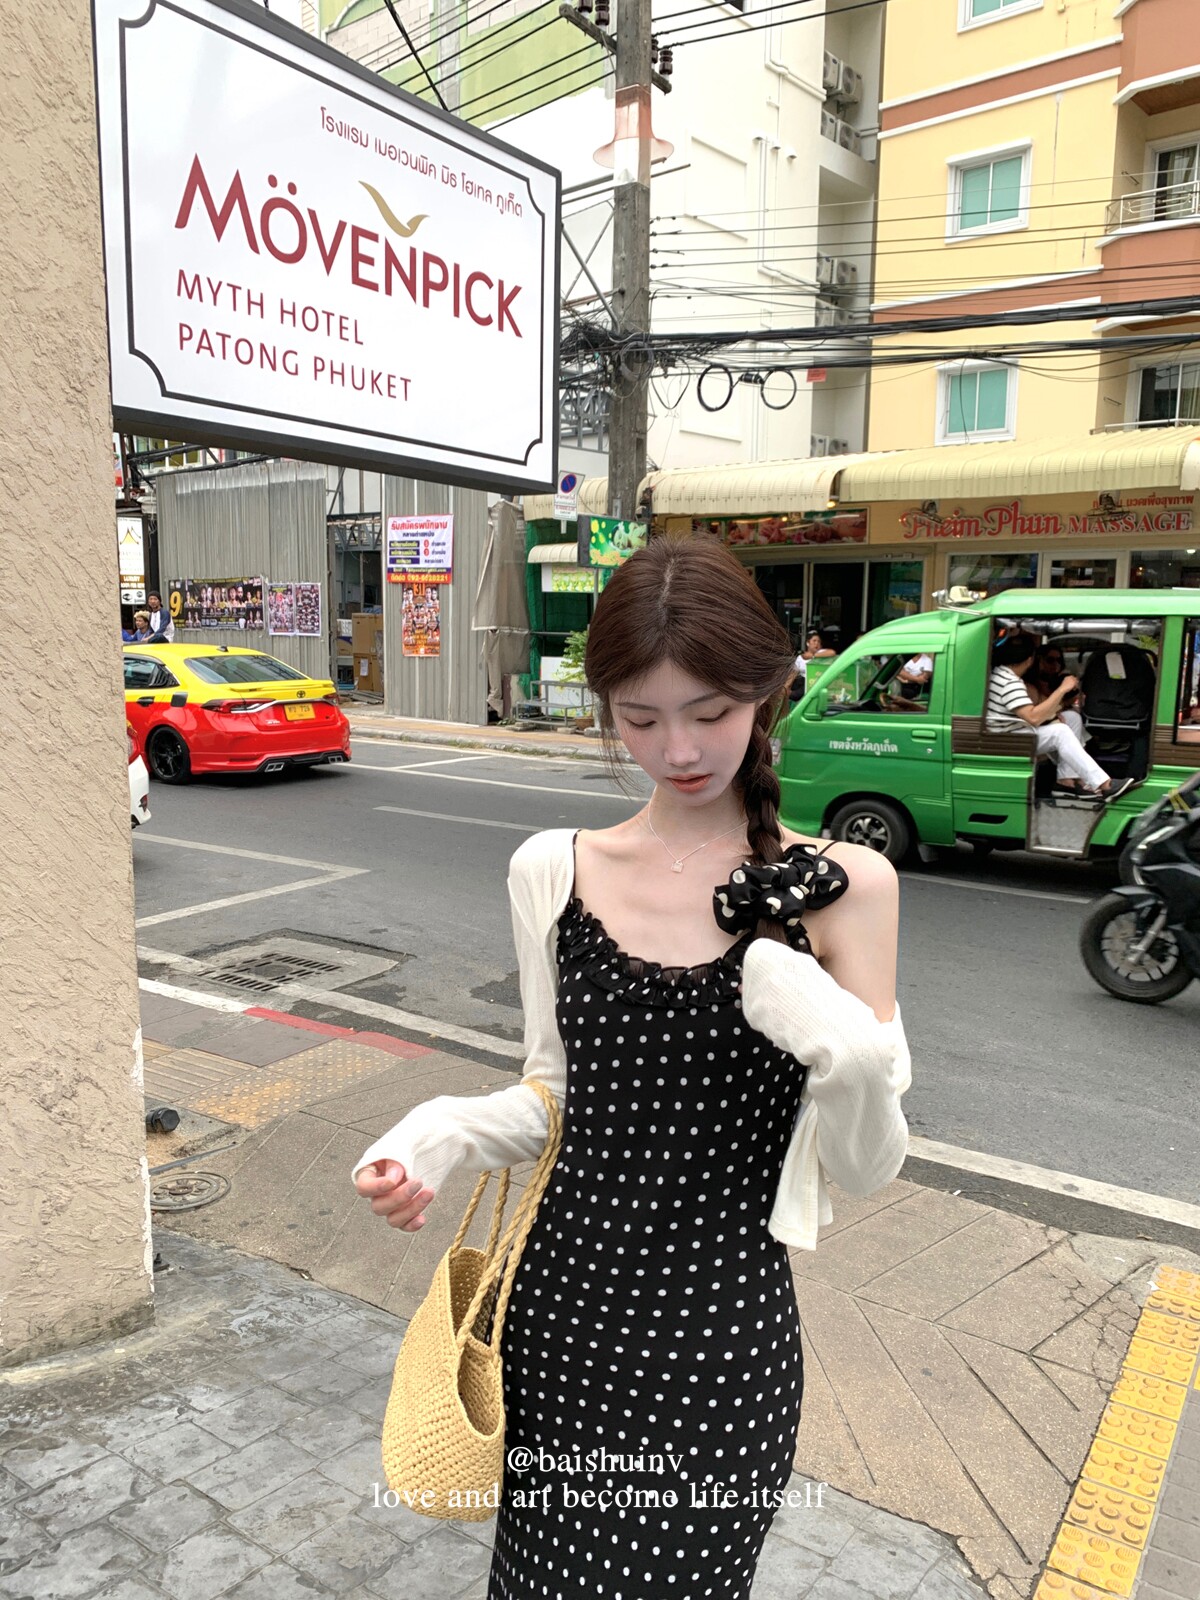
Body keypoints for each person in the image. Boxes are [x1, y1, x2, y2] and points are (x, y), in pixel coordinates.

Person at [351, 534, 911, 1600]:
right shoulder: (554, 870)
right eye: (640, 718)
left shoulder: (849, 887)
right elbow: (559, 1095)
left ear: (769, 691)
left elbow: (868, 1165)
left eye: (710, 711)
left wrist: (842, 1047)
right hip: (562, 1316)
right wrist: (444, 1129)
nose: (678, 748)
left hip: (721, 1340)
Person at [987, 633, 1135, 801]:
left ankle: (1067, 779)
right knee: (1060, 732)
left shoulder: (1000, 674)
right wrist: (1063, 689)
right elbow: (1033, 718)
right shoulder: (1010, 682)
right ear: (1030, 659)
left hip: (1010, 731)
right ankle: (1104, 784)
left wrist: (1055, 712)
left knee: (1070, 719)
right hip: (1008, 738)